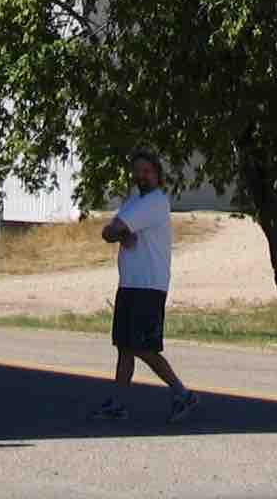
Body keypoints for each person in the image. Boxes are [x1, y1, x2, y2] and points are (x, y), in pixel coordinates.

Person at [88, 149, 198, 425]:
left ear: (157, 174)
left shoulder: (155, 201)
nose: (141, 176)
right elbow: (108, 231)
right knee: (125, 346)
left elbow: (115, 229)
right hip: (130, 283)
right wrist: (121, 233)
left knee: (144, 347)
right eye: (137, 171)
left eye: (146, 171)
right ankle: (119, 403)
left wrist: (120, 232)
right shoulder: (134, 200)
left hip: (149, 285)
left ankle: (182, 393)